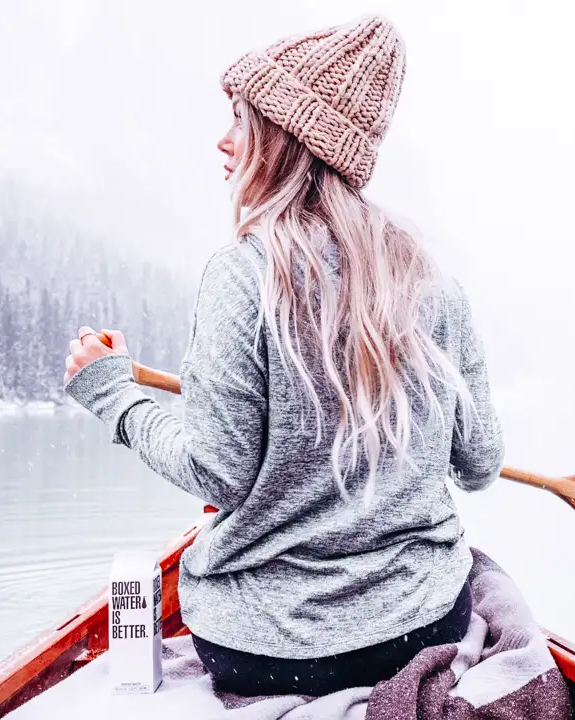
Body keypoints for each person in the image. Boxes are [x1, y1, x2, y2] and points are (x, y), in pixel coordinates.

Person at [63, 15, 503, 697]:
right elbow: (479, 464)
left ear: (284, 139)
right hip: (423, 630)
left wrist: (112, 395)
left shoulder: (243, 276)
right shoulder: (433, 284)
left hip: (262, 651)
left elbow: (218, 472)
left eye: (241, 119)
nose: (224, 138)